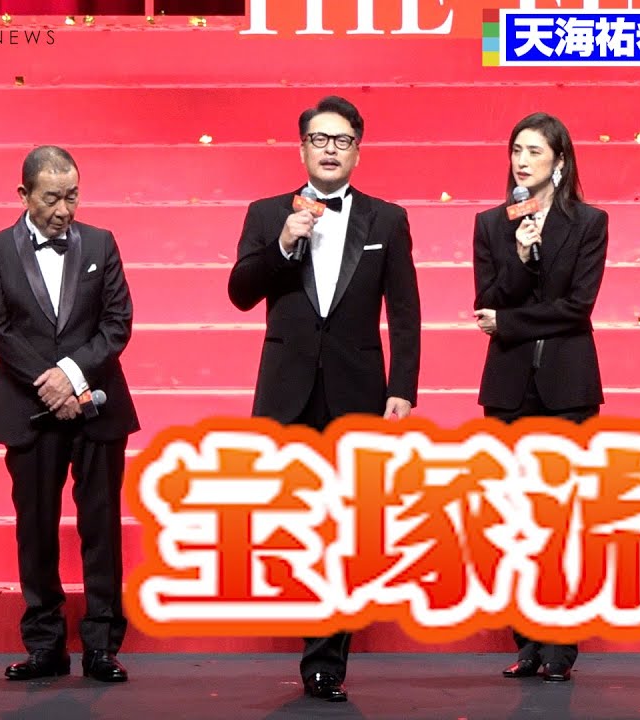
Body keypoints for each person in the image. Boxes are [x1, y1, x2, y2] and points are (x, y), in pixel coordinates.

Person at [228, 96, 421, 703]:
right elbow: (240, 293)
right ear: (302, 149)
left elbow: (405, 310)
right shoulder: (267, 214)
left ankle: (324, 662)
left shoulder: (386, 220)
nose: (330, 149)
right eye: (319, 139)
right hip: (286, 392)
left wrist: (403, 387)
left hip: (356, 392)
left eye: (341, 140)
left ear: (358, 150)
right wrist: (283, 245)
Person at [0, 146, 139, 683]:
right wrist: (49, 384)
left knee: (101, 528)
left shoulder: (101, 243)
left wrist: (70, 375)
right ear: (24, 195)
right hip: (28, 407)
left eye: (72, 196)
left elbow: (117, 322)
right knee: (36, 530)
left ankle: (102, 645)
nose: (63, 210)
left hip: (97, 406)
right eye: (51, 198)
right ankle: (45, 644)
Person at [472, 112, 608, 684]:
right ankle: (527, 641)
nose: (522, 161)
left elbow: (577, 307)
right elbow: (487, 300)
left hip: (567, 389)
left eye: (534, 151)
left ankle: (561, 645)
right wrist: (520, 259)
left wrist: (510, 321)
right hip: (509, 390)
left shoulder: (589, 222)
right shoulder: (491, 224)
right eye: (516, 150)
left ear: (560, 160)